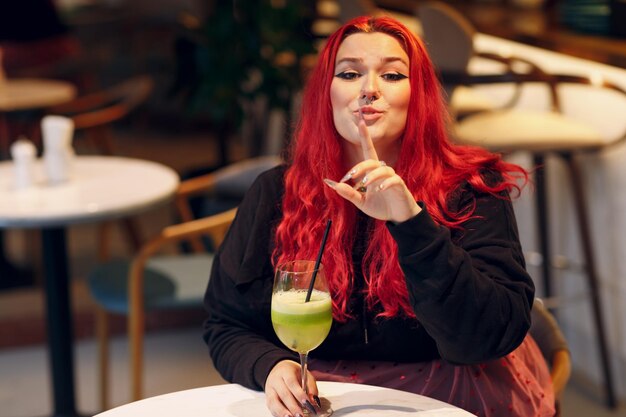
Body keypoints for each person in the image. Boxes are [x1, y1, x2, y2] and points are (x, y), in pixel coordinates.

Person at [203, 15, 555, 417]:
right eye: (350, 73)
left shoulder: (471, 188)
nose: (369, 90)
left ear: (417, 93)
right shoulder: (277, 193)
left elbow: (483, 338)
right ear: (325, 93)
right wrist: (268, 365)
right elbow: (225, 324)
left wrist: (411, 221)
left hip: (448, 391)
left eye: (391, 75)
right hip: (320, 397)